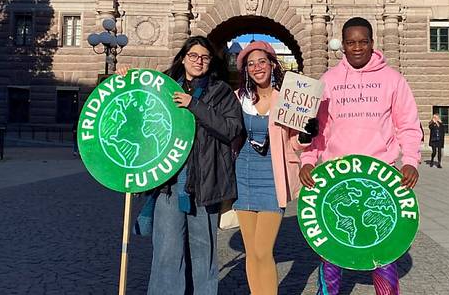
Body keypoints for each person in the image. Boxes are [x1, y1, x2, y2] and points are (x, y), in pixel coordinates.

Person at [299, 17, 422, 295]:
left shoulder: (393, 80)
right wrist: (308, 160)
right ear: (342, 45)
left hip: (379, 179)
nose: (357, 48)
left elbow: (408, 126)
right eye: (351, 42)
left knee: (383, 254)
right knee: (330, 253)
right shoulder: (328, 81)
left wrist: (411, 161)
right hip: (336, 180)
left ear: (372, 43)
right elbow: (316, 130)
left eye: (362, 42)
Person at [120, 36, 243, 295]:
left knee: (203, 256)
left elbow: (231, 129)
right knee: (166, 254)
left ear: (212, 62)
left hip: (206, 186)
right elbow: (135, 110)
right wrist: (125, 80)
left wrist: (194, 105)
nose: (199, 61)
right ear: (183, 58)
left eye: (205, 57)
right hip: (169, 185)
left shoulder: (222, 92)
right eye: (194, 56)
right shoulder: (164, 87)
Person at [233, 41, 316, 295]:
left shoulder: (288, 98)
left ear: (272, 64)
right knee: (251, 251)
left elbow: (294, 141)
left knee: (263, 250)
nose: (257, 67)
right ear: (246, 70)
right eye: (250, 64)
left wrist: (305, 136)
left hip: (272, 178)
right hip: (243, 176)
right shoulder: (239, 97)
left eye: (261, 61)